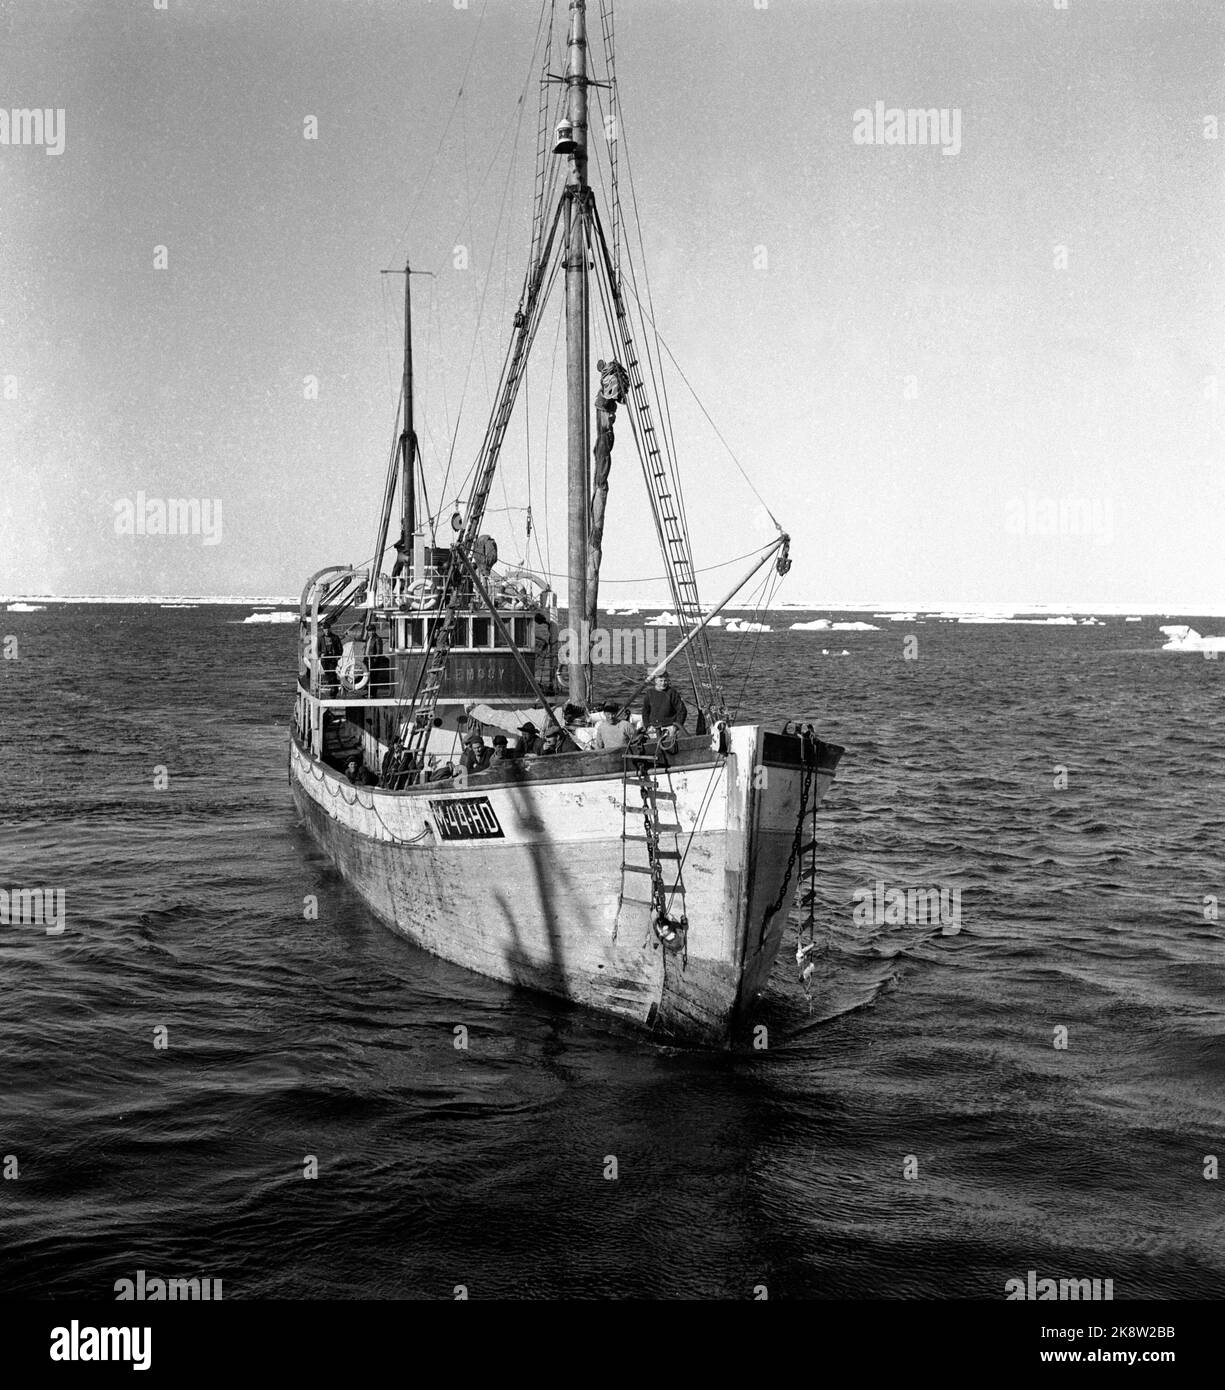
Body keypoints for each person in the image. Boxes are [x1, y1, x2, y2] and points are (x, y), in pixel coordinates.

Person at [641, 671, 687, 736]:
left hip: (670, 727)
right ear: (655, 681)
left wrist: (676, 727)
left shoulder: (672, 692)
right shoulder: (649, 693)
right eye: (661, 681)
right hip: (653, 728)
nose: (663, 683)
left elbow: (682, 711)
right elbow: (645, 712)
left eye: (665, 681)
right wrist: (647, 726)